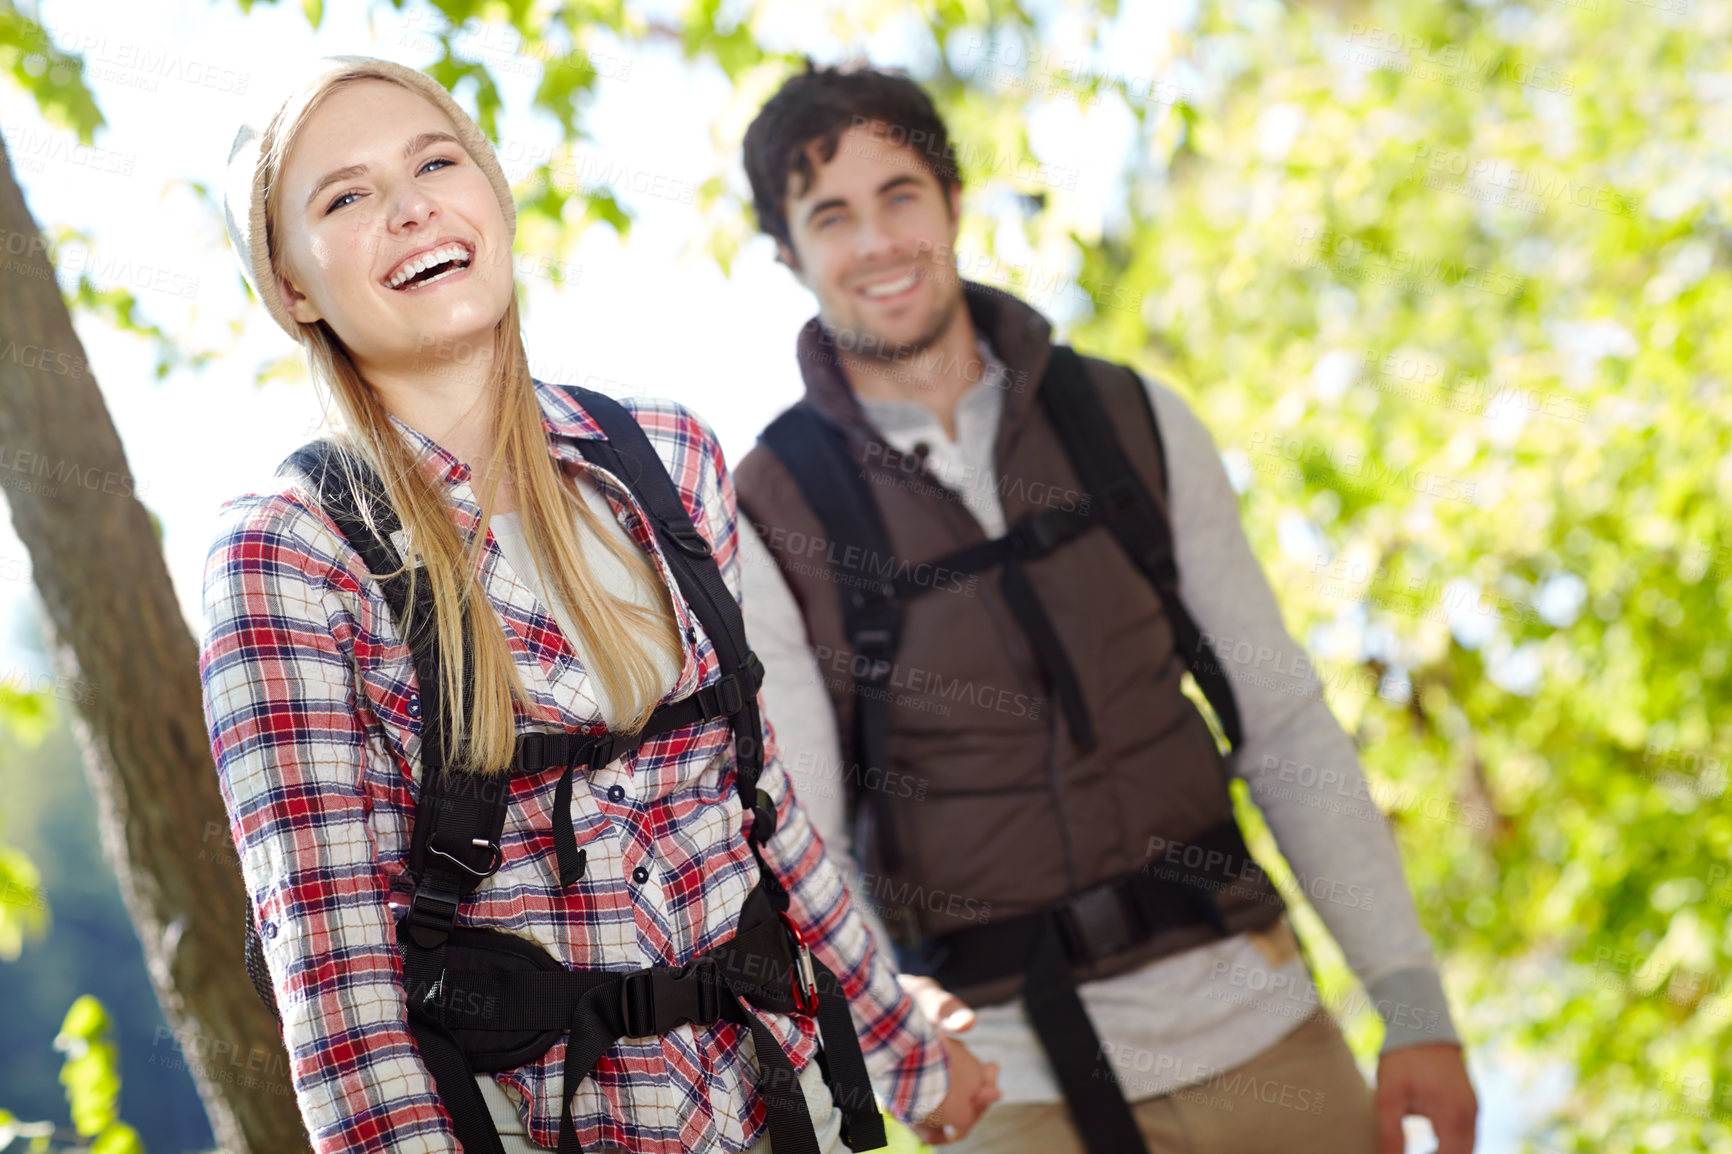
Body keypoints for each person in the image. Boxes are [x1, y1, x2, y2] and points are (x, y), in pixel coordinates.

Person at [200, 56, 1000, 1154]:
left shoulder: (662, 459)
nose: (410, 204)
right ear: (292, 286)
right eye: (344, 196)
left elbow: (761, 812)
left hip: (781, 1115)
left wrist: (907, 1051)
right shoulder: (291, 554)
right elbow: (341, 1001)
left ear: (492, 197)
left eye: (436, 161)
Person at [729, 62, 1479, 1154]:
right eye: (829, 215)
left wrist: (1413, 1006)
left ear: (951, 200)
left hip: (1257, 1032)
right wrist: (892, 1028)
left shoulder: (1128, 419)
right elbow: (803, 840)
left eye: (900, 194)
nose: (877, 240)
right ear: (789, 256)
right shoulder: (767, 510)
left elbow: (1284, 727)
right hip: (1006, 1085)